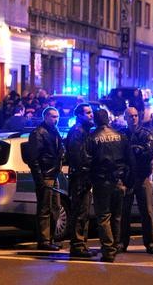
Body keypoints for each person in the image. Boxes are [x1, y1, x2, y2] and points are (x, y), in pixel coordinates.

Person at [87, 109, 130, 263]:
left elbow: (88, 161)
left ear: (97, 120)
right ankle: (116, 245)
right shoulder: (120, 136)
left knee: (104, 217)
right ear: (108, 120)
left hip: (102, 181)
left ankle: (108, 249)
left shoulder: (92, 138)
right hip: (119, 181)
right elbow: (128, 159)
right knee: (116, 216)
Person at [119, 107, 153, 255]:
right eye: (131, 116)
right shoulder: (122, 134)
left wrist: (136, 150)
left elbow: (149, 152)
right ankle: (122, 242)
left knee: (147, 212)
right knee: (124, 212)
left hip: (142, 177)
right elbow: (119, 154)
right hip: (128, 178)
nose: (134, 118)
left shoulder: (145, 134)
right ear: (126, 118)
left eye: (136, 115)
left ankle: (150, 243)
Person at [26, 107, 65, 251]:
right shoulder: (38, 133)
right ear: (46, 117)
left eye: (57, 116)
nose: (56, 119)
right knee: (45, 208)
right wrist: (39, 178)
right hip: (45, 175)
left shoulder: (54, 132)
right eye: (53, 116)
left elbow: (60, 150)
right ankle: (44, 240)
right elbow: (34, 158)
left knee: (55, 207)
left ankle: (50, 238)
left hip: (53, 174)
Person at [66, 103, 95, 258]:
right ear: (79, 115)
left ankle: (81, 244)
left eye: (91, 112)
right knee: (80, 212)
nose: (91, 115)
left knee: (84, 212)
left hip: (83, 178)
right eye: (88, 113)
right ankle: (78, 245)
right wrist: (86, 173)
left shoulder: (84, 131)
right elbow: (79, 158)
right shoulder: (78, 132)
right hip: (80, 179)